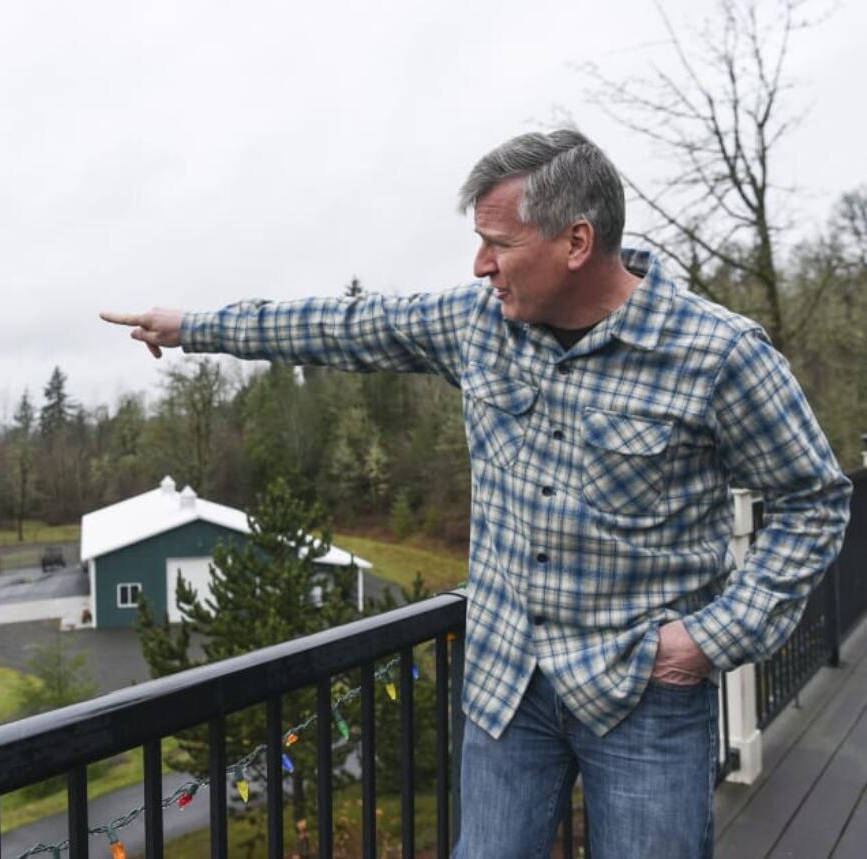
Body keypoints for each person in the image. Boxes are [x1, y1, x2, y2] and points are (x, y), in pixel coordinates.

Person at [100, 129, 852, 858]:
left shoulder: (717, 354)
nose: (479, 265)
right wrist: (194, 326)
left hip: (643, 694)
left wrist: (712, 639)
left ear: (576, 243)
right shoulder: (476, 325)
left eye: (500, 244)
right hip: (506, 687)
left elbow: (813, 501)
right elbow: (341, 325)